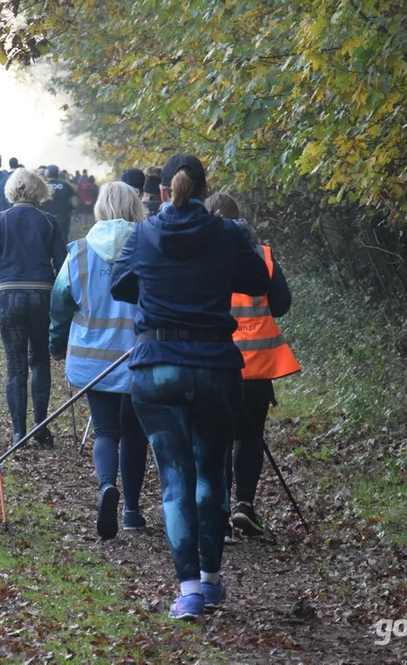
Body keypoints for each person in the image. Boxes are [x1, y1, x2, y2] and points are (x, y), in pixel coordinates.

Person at [110, 154, 270, 621]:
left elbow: (121, 285)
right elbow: (259, 282)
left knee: (174, 480)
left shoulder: (142, 235)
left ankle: (188, 592)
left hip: (156, 367)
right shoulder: (227, 235)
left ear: (163, 192)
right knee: (211, 473)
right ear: (204, 189)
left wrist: (159, 290)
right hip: (216, 368)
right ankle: (212, 580)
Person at [50, 182, 149, 540]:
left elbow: (60, 303)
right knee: (136, 433)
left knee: (106, 430)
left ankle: (108, 485)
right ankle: (132, 512)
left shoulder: (77, 252)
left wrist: (56, 344)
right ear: (136, 207)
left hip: (93, 359)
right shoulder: (149, 248)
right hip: (139, 355)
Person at [205, 193, 300, 537]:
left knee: (217, 438)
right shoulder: (262, 255)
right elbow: (282, 304)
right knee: (250, 435)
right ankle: (245, 505)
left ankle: (220, 516)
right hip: (256, 366)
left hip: (214, 362)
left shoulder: (201, 255)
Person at [0, 169, 67, 447]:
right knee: (39, 361)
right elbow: (63, 262)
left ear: (11, 190)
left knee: (16, 365)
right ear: (39, 190)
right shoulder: (48, 221)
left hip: (10, 297)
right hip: (42, 296)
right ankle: (40, 427)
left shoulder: (0, 220)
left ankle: (19, 432)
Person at [42, 164, 78, 244]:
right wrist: (67, 208)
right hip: (63, 219)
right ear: (58, 174)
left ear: (46, 173)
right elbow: (75, 203)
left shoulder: (42, 186)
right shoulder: (66, 186)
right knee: (63, 241)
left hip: (45, 220)